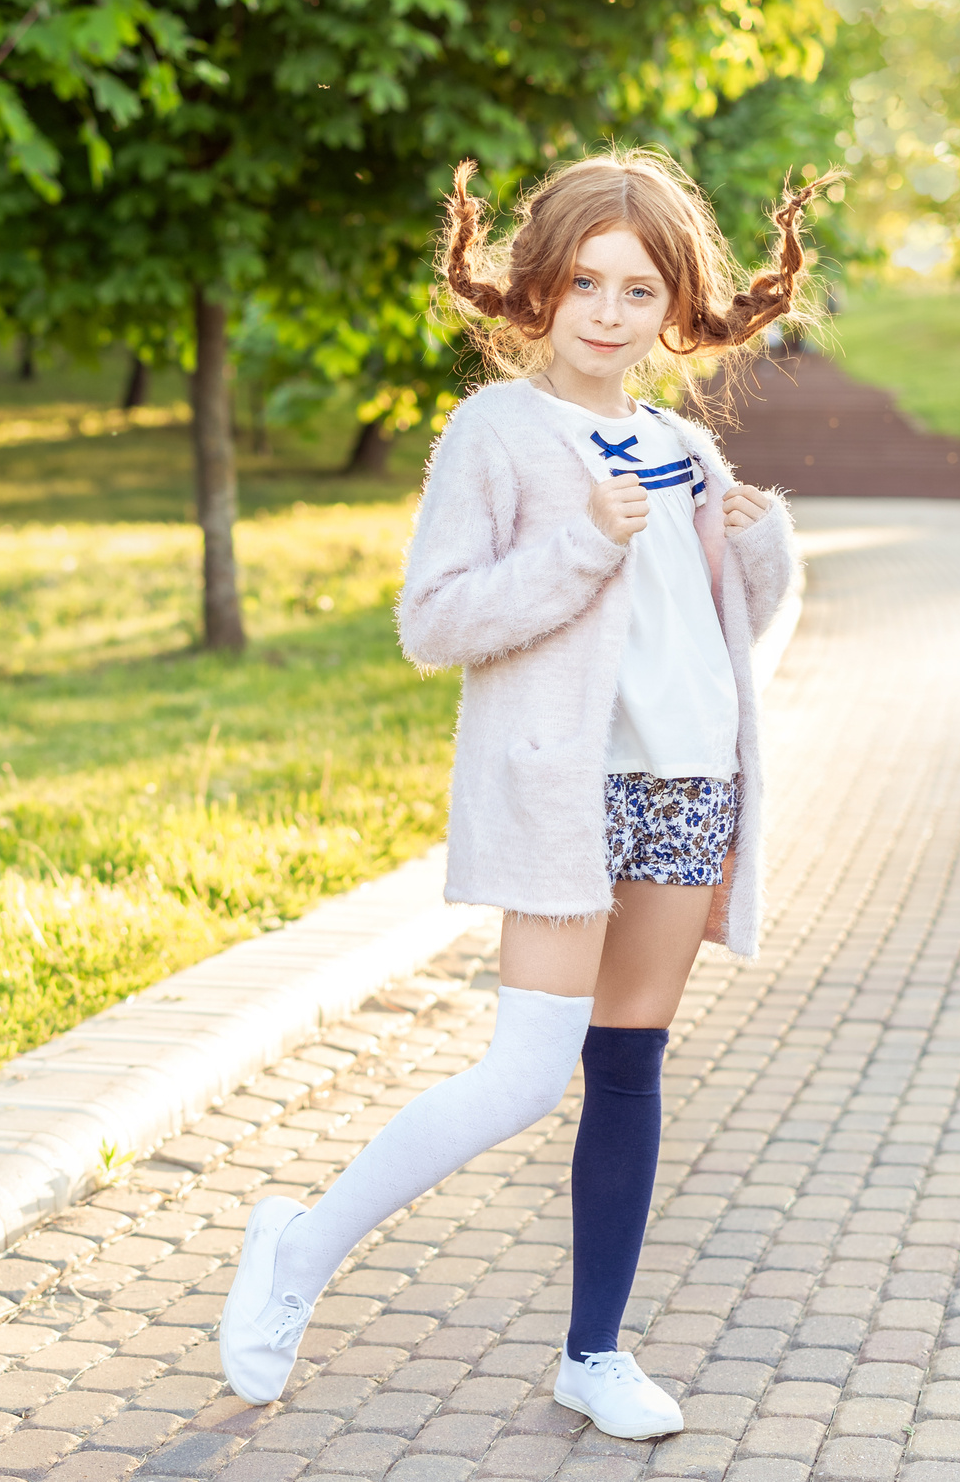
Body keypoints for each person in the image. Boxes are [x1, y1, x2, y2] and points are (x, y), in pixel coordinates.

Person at [220, 147, 834, 1437]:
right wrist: (582, 542)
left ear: (677, 307)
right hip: (573, 792)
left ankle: (594, 1354)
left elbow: (731, 627)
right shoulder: (497, 434)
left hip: (690, 782)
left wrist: (755, 541)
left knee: (628, 1067)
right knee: (523, 1074)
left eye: (641, 289)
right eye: (585, 284)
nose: (611, 314)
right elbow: (436, 622)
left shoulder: (678, 441)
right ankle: (300, 1246)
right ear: (536, 292)